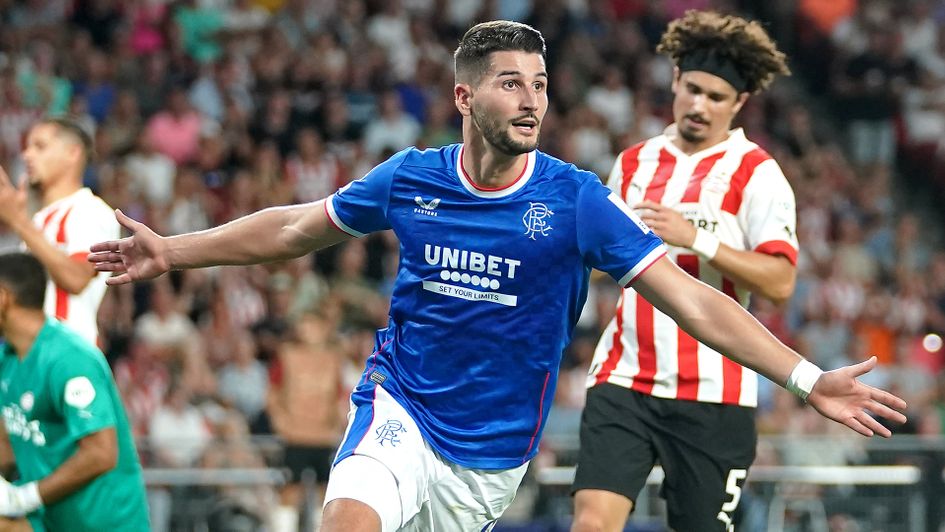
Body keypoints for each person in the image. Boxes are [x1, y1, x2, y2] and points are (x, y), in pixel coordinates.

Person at [88, 20, 907, 532]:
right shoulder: (411, 176)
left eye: (541, 86)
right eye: (511, 83)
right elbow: (296, 227)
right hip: (400, 409)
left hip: (488, 463)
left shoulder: (576, 200)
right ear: (463, 95)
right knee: (346, 519)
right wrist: (174, 248)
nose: (532, 100)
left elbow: (690, 299)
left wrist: (806, 379)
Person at [571, 11, 802, 532]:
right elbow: (603, 262)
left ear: (739, 103)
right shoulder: (633, 163)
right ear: (675, 81)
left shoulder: (756, 172)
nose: (699, 105)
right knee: (590, 523)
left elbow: (780, 281)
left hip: (715, 392)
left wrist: (696, 237)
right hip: (624, 375)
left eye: (716, 97)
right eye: (692, 88)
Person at [0, 252, 149, 531]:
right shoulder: (6, 359)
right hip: (50, 518)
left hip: (104, 524)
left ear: (3, 298)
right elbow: (7, 445)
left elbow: (102, 453)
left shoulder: (69, 360)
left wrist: (25, 497)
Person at [0, 116, 120, 345]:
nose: (27, 155)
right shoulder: (39, 220)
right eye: (27, 147)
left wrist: (17, 221)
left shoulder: (91, 210)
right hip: (30, 354)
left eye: (40, 146)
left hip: (67, 351)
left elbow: (76, 278)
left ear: (72, 153)